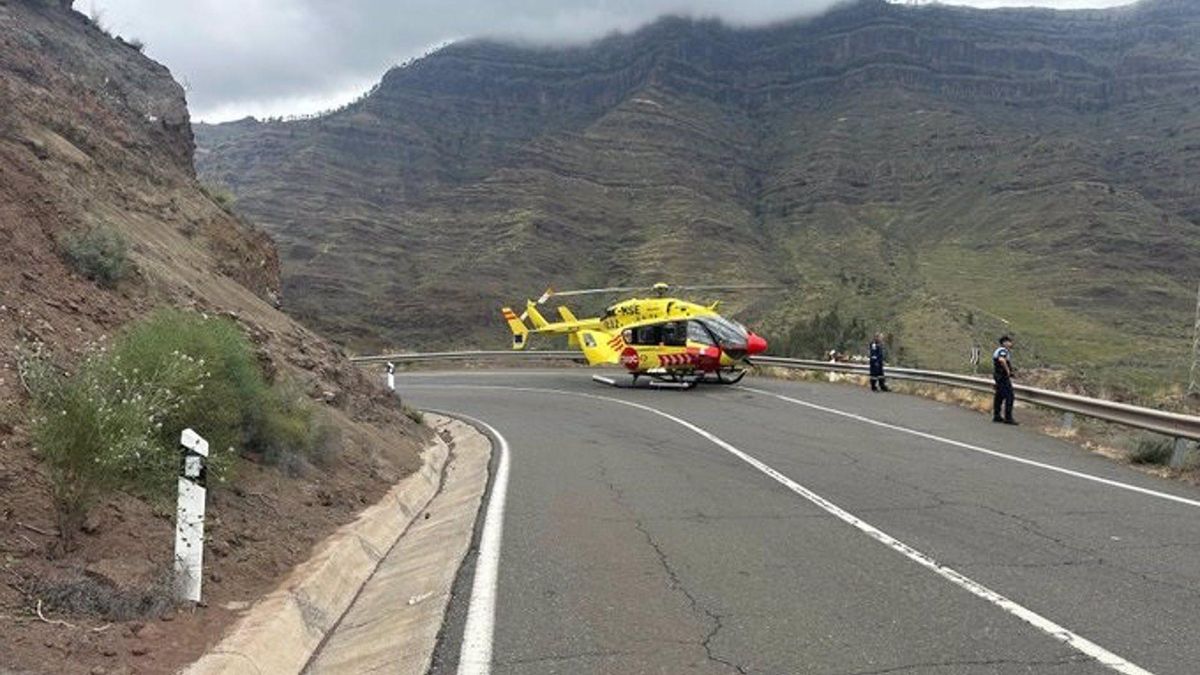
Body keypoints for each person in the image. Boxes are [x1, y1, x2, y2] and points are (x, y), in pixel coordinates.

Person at [992, 335, 1017, 424]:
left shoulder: (999, 350)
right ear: (1004, 343)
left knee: (999, 396)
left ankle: (997, 415)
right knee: (1010, 396)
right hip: (1002, 376)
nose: (1011, 344)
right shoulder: (1003, 351)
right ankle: (1008, 418)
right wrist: (1008, 372)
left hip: (998, 376)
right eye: (1009, 342)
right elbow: (1002, 360)